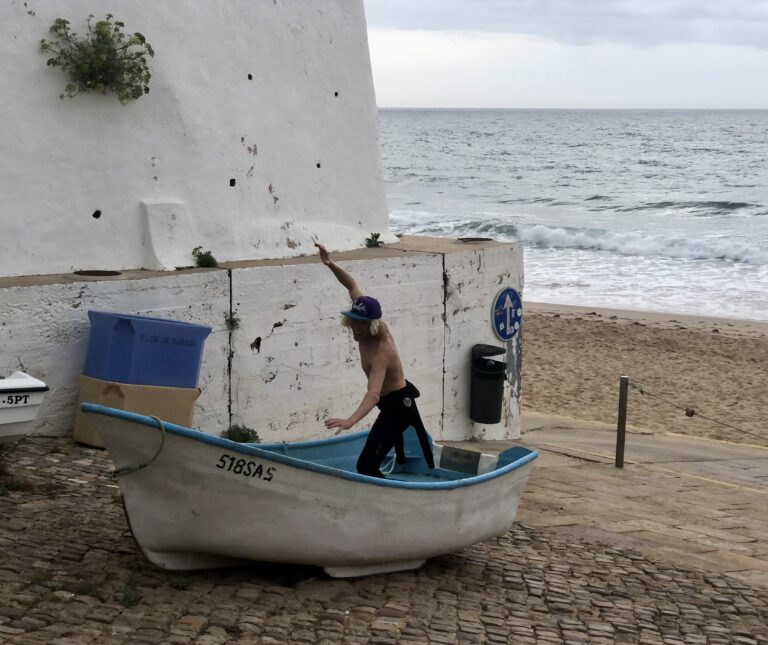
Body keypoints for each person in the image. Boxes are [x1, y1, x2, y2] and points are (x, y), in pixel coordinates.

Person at [315, 242, 434, 478]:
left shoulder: (381, 350)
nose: (355, 328)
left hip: (399, 407)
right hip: (389, 405)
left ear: (372, 324)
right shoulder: (365, 311)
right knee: (371, 460)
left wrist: (351, 420)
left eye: (360, 323)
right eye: (352, 321)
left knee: (366, 466)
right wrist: (330, 264)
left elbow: (373, 394)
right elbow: (351, 285)